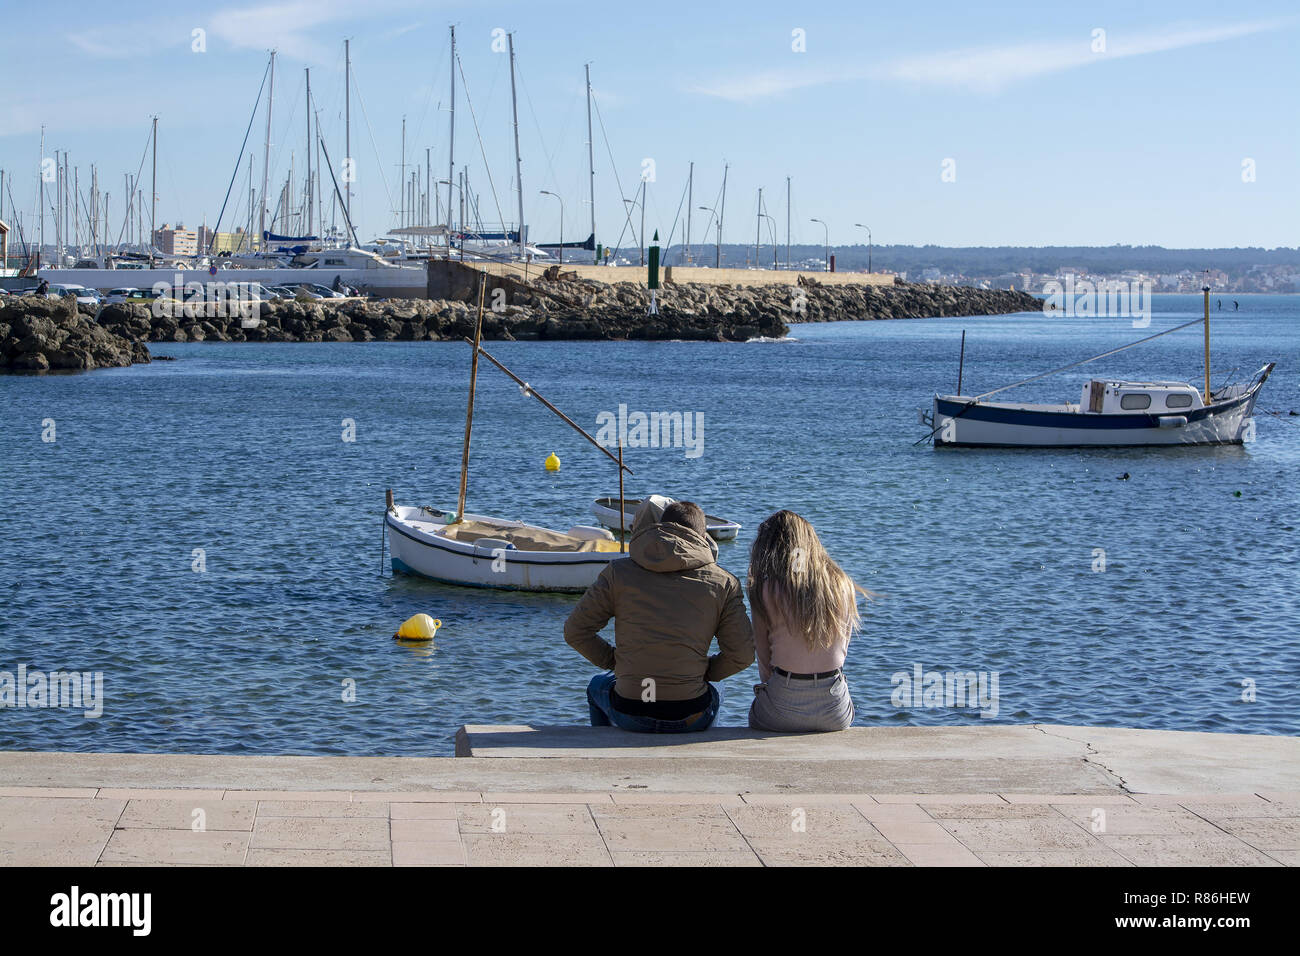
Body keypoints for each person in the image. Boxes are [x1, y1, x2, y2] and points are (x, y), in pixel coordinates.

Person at [564, 496, 753, 733]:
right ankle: (698, 746)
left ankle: (604, 744)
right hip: (690, 714)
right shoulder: (724, 582)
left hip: (629, 710)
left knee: (596, 686)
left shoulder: (617, 572)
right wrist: (704, 672)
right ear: (703, 537)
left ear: (658, 527)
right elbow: (742, 655)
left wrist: (613, 662)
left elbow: (575, 632)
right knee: (717, 689)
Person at [746, 510, 871, 733]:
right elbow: (841, 650)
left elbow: (764, 663)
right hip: (834, 710)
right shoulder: (842, 584)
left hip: (780, 705)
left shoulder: (765, 590)